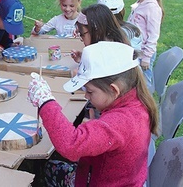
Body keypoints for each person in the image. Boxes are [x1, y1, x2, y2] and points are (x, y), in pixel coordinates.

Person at [28, 41, 159, 186]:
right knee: (52, 165)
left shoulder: (121, 122)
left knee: (47, 168)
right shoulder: (136, 104)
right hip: (117, 178)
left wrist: (45, 101)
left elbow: (71, 144)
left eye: (90, 91)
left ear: (114, 90)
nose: (86, 97)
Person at [126, 0, 164, 90]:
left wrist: (147, 57)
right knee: (135, 83)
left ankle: (148, 107)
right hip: (136, 51)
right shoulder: (140, 4)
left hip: (144, 54)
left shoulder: (152, 8)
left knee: (145, 85)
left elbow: (153, 35)